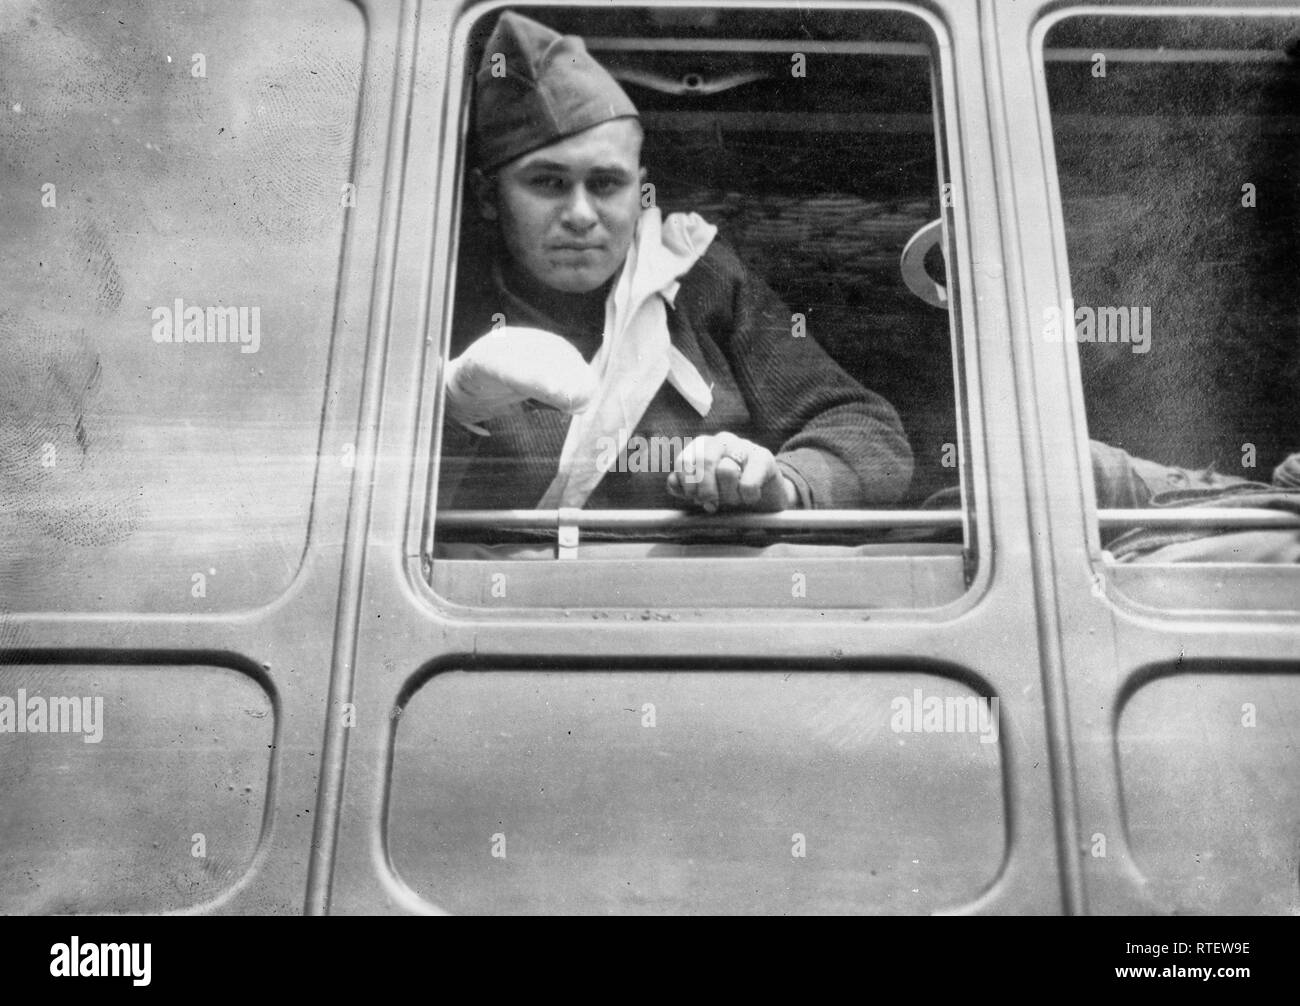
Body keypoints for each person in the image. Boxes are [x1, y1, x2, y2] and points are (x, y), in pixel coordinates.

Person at [437, 11, 913, 517]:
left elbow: (868, 433)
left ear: (641, 192)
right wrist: (450, 407)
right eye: (548, 183)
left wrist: (782, 483)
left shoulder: (698, 279)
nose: (580, 215)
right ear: (489, 196)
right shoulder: (440, 297)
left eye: (605, 184)